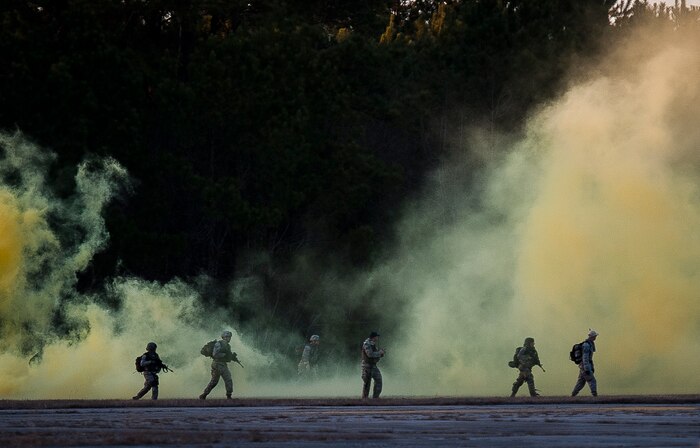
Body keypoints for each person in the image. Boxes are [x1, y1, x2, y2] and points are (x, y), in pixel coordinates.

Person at [199, 330, 235, 399]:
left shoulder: (228, 346)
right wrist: (225, 355)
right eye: (227, 337)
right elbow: (215, 354)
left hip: (221, 364)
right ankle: (228, 396)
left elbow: (228, 357)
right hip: (218, 364)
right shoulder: (219, 344)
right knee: (224, 380)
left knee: (217, 381)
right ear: (224, 337)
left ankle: (204, 395)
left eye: (229, 337)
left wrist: (231, 357)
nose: (229, 338)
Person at [572, 329, 598, 397]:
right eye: (595, 336)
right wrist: (587, 369)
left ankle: (573, 395)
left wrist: (591, 367)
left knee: (580, 382)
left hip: (583, 366)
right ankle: (595, 395)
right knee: (592, 380)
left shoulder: (589, 344)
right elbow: (585, 358)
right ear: (592, 336)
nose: (595, 337)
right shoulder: (586, 345)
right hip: (584, 366)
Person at [361, 331, 385, 399]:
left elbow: (375, 355)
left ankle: (375, 397)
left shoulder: (373, 344)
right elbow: (370, 354)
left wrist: (381, 354)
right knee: (367, 383)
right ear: (373, 337)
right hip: (367, 366)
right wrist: (379, 353)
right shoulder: (367, 344)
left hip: (373, 366)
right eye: (377, 336)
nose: (377, 338)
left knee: (378, 380)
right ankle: (365, 399)